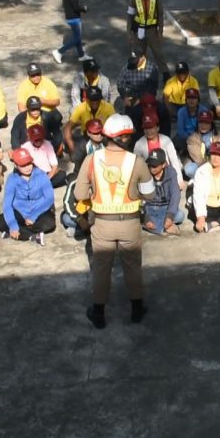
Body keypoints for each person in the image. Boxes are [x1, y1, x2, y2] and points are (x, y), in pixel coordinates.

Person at [73, 113, 155, 328]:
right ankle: (137, 310)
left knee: (101, 268)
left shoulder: (91, 160)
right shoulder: (136, 161)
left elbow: (80, 194)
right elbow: (149, 194)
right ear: (126, 137)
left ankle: (98, 314)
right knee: (133, 267)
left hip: (101, 225)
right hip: (129, 224)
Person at [0, 147, 56, 245]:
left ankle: (20, 233)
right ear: (16, 165)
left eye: (29, 163)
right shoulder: (12, 179)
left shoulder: (41, 175)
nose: (28, 167)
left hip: (38, 212)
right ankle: (31, 236)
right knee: (1, 220)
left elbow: (49, 198)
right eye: (23, 165)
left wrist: (33, 216)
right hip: (20, 213)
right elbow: (7, 204)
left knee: (49, 223)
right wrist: (13, 226)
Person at [127, 0, 170, 84]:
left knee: (158, 53)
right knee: (139, 53)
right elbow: (130, 16)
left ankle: (165, 74)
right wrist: (129, 33)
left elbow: (160, 14)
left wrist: (160, 31)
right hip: (138, 30)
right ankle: (142, 75)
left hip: (152, 31)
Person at [132, 112, 184, 189]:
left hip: (166, 174)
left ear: (158, 128)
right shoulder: (139, 144)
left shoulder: (166, 140)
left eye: (151, 127)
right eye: (146, 128)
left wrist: (179, 180)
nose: (149, 131)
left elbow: (174, 160)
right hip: (149, 176)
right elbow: (136, 165)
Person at [142, 148, 184, 236]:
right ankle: (164, 228)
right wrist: (146, 216)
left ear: (164, 164)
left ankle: (156, 227)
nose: (151, 168)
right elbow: (142, 197)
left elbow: (175, 194)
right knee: (146, 219)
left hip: (166, 206)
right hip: (150, 207)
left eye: (155, 165)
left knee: (180, 215)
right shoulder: (144, 173)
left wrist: (170, 215)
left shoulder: (171, 172)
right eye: (150, 165)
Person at [63, 86, 114, 158]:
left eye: (97, 99)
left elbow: (116, 125)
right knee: (77, 155)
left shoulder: (108, 107)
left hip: (102, 136)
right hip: (86, 136)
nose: (95, 102)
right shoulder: (80, 108)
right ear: (86, 99)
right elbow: (68, 127)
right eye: (92, 100)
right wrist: (72, 146)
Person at [52, 0, 91, 64]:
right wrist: (84, 9)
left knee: (77, 38)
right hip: (74, 18)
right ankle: (59, 52)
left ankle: (81, 55)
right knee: (77, 39)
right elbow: (76, 7)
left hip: (71, 17)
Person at [184, 109, 220, 179]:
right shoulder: (192, 138)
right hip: (199, 164)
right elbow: (198, 159)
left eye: (206, 123)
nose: (203, 125)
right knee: (189, 169)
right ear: (197, 123)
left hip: (215, 163)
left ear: (211, 124)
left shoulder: (217, 134)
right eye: (201, 122)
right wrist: (210, 170)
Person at [22, 124, 67, 188]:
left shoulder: (47, 144)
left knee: (62, 175)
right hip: (33, 174)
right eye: (36, 140)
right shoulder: (25, 147)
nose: (38, 141)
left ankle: (38, 187)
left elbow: (54, 165)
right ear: (29, 138)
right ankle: (41, 186)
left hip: (47, 174)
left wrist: (47, 178)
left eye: (40, 139)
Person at [175, 87, 208, 152]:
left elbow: (207, 128)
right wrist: (191, 139)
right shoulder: (181, 112)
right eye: (189, 98)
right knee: (176, 140)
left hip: (200, 137)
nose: (191, 100)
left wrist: (198, 139)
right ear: (186, 100)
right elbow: (180, 131)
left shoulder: (204, 110)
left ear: (198, 100)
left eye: (194, 98)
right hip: (186, 138)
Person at [60, 173, 91, 240]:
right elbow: (67, 203)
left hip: (96, 215)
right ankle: (82, 229)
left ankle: (78, 230)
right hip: (81, 215)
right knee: (66, 218)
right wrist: (79, 219)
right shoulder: (74, 184)